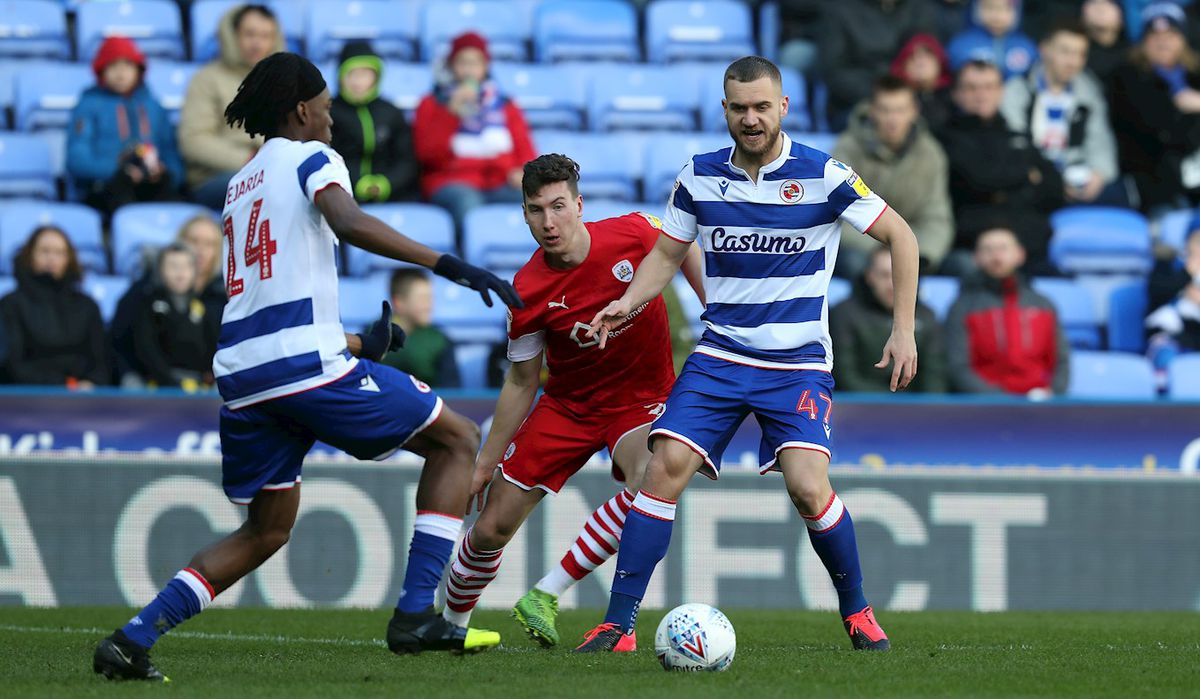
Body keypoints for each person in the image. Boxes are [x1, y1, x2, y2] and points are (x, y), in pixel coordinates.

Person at [92, 52, 524, 682]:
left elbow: (270, 294)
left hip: (244, 373)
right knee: (457, 439)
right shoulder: (313, 158)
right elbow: (346, 221)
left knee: (266, 529)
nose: (331, 119)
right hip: (298, 365)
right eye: (324, 108)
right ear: (301, 111)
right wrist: (445, 264)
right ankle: (414, 616)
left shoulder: (241, 184)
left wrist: (352, 342)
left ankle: (133, 639)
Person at [574, 57, 921, 653]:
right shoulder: (699, 176)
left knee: (809, 487)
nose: (751, 119)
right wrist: (624, 304)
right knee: (662, 472)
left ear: (783, 107)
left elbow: (902, 236)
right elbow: (664, 255)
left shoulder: (823, 174)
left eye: (762, 107)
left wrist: (904, 329)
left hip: (797, 363)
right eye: (740, 108)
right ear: (726, 110)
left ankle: (858, 612)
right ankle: (619, 624)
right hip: (721, 355)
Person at [439, 154, 705, 650]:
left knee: (654, 479)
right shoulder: (527, 289)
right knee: (491, 528)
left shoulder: (634, 233)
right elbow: (521, 382)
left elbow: (679, 245)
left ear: (579, 204)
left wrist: (713, 302)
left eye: (558, 206)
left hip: (641, 401)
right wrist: (485, 462)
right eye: (536, 210)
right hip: (569, 405)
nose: (549, 221)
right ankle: (448, 627)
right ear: (523, 215)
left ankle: (547, 592)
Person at [938, 60, 1063, 272]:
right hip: (971, 246)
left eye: (989, 87)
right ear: (956, 94)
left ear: (1000, 92)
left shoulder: (1016, 135)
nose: (981, 95)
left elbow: (1055, 187)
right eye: (971, 88)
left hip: (1026, 244)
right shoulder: (944, 138)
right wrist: (1026, 176)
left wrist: (1003, 183)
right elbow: (978, 179)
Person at [413, 32, 536, 238]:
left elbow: (525, 149)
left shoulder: (504, 104)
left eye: (476, 62)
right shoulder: (432, 103)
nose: (469, 69)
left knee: (537, 201)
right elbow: (427, 155)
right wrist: (450, 114)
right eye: (463, 62)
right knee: (468, 204)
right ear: (452, 65)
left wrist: (521, 171)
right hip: (453, 182)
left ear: (485, 66)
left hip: (499, 181)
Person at [834, 75, 955, 277]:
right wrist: (883, 250)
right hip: (864, 249)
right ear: (872, 111)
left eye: (900, 110)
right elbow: (839, 214)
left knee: (960, 265)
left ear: (914, 111)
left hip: (915, 249)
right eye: (885, 110)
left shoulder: (931, 154)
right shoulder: (847, 149)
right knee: (853, 263)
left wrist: (918, 255)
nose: (893, 119)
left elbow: (936, 217)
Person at [1001, 19, 1123, 206]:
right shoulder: (1017, 89)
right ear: (1044, 49)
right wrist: (1046, 177)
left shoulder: (1089, 90)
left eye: (1080, 54)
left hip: (1078, 176)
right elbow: (1014, 141)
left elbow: (1100, 140)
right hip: (1035, 176)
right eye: (1065, 52)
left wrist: (1099, 173)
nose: (1073, 62)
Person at [178, 4, 283, 209]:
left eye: (265, 36)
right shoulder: (206, 79)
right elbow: (193, 141)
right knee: (275, 188)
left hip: (272, 172)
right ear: (233, 35)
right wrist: (251, 160)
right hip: (216, 178)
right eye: (250, 34)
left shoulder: (282, 80)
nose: (257, 43)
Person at [945, 226, 1070, 395]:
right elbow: (958, 367)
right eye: (987, 249)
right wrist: (1000, 400)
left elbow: (1061, 360)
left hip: (1039, 405)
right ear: (976, 258)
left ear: (1020, 254)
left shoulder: (1043, 304)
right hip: (985, 408)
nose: (996, 256)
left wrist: (1052, 393)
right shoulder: (962, 307)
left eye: (1003, 248)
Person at [67, 36, 182, 217]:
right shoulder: (88, 105)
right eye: (113, 65)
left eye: (128, 65)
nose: (121, 73)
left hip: (151, 184)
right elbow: (77, 160)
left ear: (139, 70)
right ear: (101, 71)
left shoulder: (153, 105)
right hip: (106, 187)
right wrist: (119, 170)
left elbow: (170, 152)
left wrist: (164, 171)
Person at [111, 214, 225, 387]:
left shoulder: (220, 297)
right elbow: (125, 340)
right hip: (147, 378)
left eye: (209, 244)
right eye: (194, 241)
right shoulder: (146, 290)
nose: (200, 250)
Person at [1108, 3, 1200, 213]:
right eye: (1155, 35)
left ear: (1183, 39)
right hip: (1156, 183)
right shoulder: (1127, 76)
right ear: (1143, 41)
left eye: (1171, 35)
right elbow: (1159, 130)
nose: (1163, 42)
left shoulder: (1195, 74)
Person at [0, 226, 108, 387]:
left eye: (59, 253)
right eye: (44, 251)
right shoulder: (11, 304)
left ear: (69, 259)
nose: (51, 258)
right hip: (27, 397)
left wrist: (91, 382)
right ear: (30, 256)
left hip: (82, 397)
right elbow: (12, 362)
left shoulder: (87, 305)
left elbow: (101, 359)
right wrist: (62, 385)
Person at [831, 247, 947, 392]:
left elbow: (934, 377)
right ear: (869, 276)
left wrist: (927, 411)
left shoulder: (927, 316)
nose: (893, 284)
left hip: (915, 410)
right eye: (885, 275)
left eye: (900, 276)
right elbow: (844, 376)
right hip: (860, 408)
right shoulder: (843, 313)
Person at [816, 0, 939, 131]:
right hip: (857, 103)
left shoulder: (920, 8)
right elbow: (833, 73)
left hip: (913, 98)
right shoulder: (840, 10)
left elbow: (930, 54)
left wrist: (928, 73)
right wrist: (884, 94)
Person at [330, 40, 419, 203]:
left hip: (393, 197)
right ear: (340, 76)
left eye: (364, 74)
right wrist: (357, 183)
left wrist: (386, 184)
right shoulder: (328, 113)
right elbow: (326, 159)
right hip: (343, 197)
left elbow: (406, 161)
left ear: (376, 76)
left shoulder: (391, 112)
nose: (357, 81)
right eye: (351, 74)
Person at [129, 243, 219, 389]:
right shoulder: (149, 306)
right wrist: (168, 381)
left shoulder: (202, 308)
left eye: (186, 266)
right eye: (173, 266)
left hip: (199, 385)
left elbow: (213, 346)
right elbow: (146, 348)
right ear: (159, 271)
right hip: (160, 385)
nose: (180, 272)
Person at [378, 268, 460, 387]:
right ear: (398, 302)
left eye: (430, 298)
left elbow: (451, 390)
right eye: (422, 298)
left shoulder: (439, 340)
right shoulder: (373, 335)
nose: (429, 305)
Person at [1146, 225, 1200, 381]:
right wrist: (1187, 273)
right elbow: (1156, 291)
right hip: (1170, 337)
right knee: (1167, 360)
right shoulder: (1168, 265)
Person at [947, 0, 1038, 79]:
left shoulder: (1027, 47)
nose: (996, 16)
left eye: (1005, 8)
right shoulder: (961, 45)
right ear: (975, 7)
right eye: (989, 8)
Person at [890, 33, 956, 132]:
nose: (920, 62)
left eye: (928, 55)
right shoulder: (891, 97)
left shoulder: (954, 97)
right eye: (912, 56)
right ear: (903, 65)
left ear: (939, 63)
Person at [1083, 0, 1129, 82]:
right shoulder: (1078, 51)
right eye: (1093, 2)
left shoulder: (1131, 55)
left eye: (1109, 3)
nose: (1100, 8)